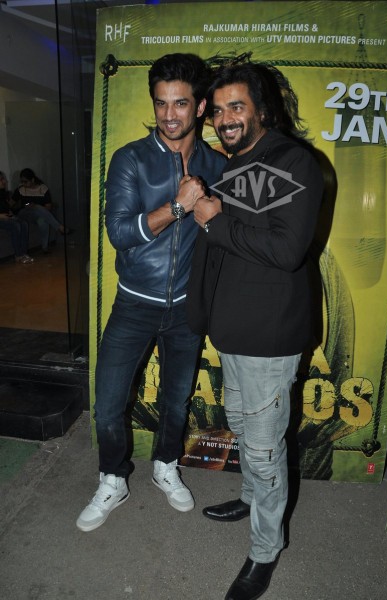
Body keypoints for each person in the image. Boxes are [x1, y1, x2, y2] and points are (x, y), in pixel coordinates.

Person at [186, 63, 324, 600]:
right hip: (232, 331)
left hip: (269, 337)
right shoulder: (232, 166)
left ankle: (265, 551)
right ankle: (249, 497)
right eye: (218, 110)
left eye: (236, 106)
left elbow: (287, 251)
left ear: (262, 109)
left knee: (265, 450)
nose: (225, 118)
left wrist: (214, 219)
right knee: (244, 430)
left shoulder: (293, 161)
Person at [76, 53, 226, 533]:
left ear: (199, 107)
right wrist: (178, 207)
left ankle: (165, 464)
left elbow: (227, 235)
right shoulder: (131, 158)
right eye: (161, 103)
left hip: (186, 308)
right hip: (133, 303)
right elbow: (119, 233)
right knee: (108, 405)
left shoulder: (217, 165)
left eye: (180, 103)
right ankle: (112, 478)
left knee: (176, 401)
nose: (169, 114)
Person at [12, 168, 69, 253]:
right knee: (37, 207)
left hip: (38, 214)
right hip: (24, 213)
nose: (23, 184)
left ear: (32, 180)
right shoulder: (20, 189)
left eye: (25, 182)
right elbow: (12, 204)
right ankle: (60, 227)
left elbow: (48, 207)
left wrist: (36, 206)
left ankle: (44, 247)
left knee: (42, 221)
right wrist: (27, 205)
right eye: (22, 181)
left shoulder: (42, 188)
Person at [0, 171, 33, 264]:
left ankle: (24, 253)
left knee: (24, 223)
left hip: (6, 216)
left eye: (3, 179)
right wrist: (1, 216)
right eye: (1, 180)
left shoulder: (3, 193)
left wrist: (10, 213)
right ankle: (18, 255)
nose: (5, 181)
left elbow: (7, 207)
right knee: (15, 225)